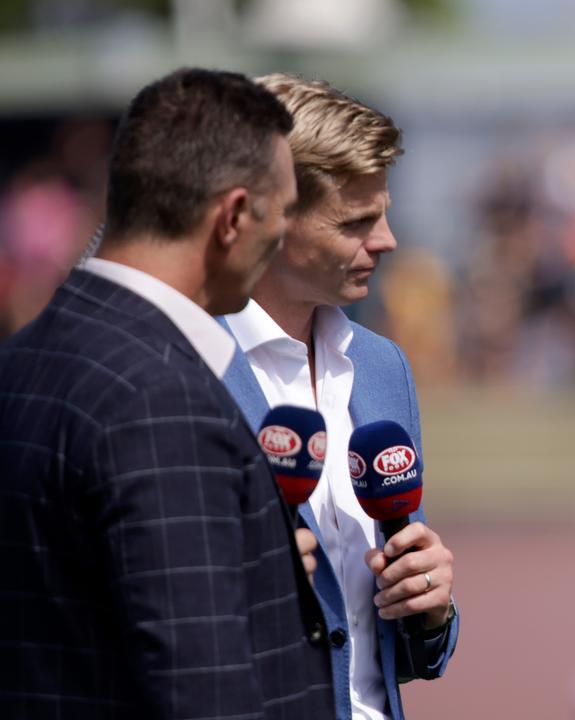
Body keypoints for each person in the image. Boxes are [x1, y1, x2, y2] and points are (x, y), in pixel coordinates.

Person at [0, 68, 333, 718]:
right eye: (285, 211)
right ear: (234, 216)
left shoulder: (25, 359)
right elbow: (205, 691)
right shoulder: (158, 398)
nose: (285, 235)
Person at [219, 73, 458, 720]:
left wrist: (428, 608)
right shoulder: (181, 364)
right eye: (355, 222)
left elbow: (392, 651)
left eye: (383, 213)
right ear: (263, 219)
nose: (386, 241)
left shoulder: (381, 368)